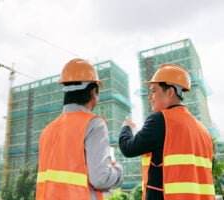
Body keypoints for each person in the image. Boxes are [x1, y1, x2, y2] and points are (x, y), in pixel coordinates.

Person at [118, 63, 215, 200]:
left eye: (153, 90)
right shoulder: (202, 130)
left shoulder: (161, 120)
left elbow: (128, 148)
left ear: (170, 92)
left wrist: (126, 127)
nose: (149, 96)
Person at [36, 58, 123, 200]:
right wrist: (118, 171)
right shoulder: (94, 124)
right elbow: (100, 179)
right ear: (94, 91)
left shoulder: (47, 130)